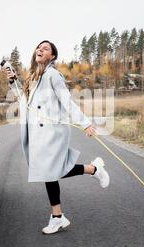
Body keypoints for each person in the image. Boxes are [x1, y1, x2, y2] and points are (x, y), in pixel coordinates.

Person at [6, 40, 110, 235]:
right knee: (49, 172)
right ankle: (59, 215)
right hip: (38, 133)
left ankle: (93, 171)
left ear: (52, 56)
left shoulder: (53, 75)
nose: (40, 49)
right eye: (38, 47)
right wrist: (13, 82)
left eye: (45, 48)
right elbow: (24, 100)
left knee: (50, 171)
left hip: (52, 132)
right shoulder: (34, 76)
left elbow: (67, 102)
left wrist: (85, 123)